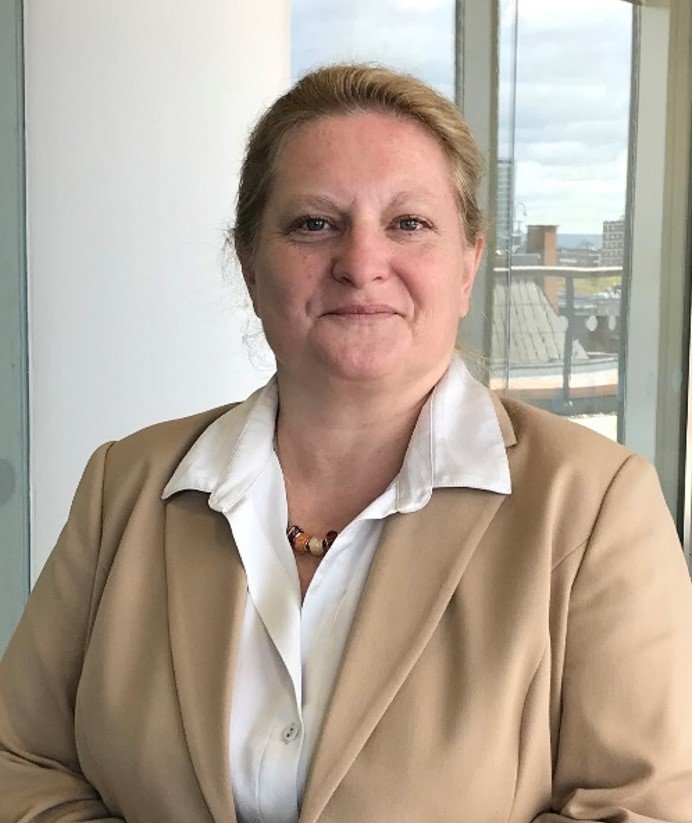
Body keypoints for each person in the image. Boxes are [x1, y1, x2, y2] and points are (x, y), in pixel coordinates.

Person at [1, 63, 691, 823]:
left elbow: (642, 807)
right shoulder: (126, 483)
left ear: (467, 266)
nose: (361, 265)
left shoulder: (594, 506)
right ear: (250, 266)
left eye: (408, 223)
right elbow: (19, 760)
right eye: (314, 224)